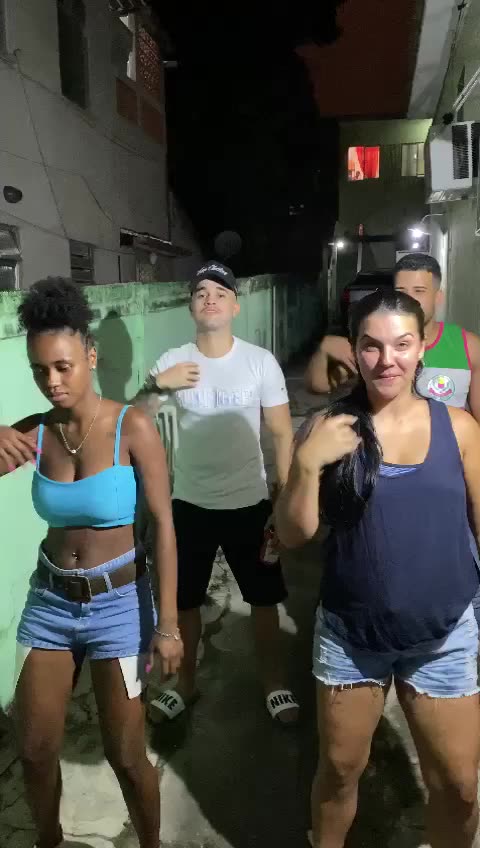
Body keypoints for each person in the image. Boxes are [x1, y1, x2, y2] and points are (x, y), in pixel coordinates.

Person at [276, 289, 480, 848]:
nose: (387, 360)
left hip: (443, 636)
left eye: (401, 344)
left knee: (460, 785)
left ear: (422, 348)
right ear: (355, 349)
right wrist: (307, 464)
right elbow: (293, 534)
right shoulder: (328, 428)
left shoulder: (460, 429)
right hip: (351, 637)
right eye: (371, 345)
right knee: (341, 771)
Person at [0, 278, 182, 848]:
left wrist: (168, 625)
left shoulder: (134, 428)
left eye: (63, 366)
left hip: (121, 607)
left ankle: (150, 843)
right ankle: (49, 841)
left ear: (91, 356)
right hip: (50, 603)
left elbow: (165, 527)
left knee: (125, 755)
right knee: (35, 750)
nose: (52, 382)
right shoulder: (34, 433)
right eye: (40, 370)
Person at [137, 260, 299, 725]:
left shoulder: (259, 361)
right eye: (201, 292)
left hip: (250, 503)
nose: (210, 299)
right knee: (186, 602)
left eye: (220, 292)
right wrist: (157, 385)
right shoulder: (173, 361)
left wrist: (284, 498)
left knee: (264, 600)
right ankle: (185, 685)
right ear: (191, 307)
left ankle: (274, 683)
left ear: (235, 306)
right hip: (189, 504)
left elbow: (282, 433)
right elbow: (135, 419)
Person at [305, 253, 480, 420]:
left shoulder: (468, 346)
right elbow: (319, 385)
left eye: (419, 290)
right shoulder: (372, 345)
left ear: (438, 297)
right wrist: (324, 350)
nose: (410, 298)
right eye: (401, 290)